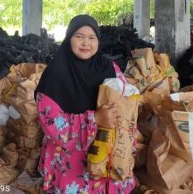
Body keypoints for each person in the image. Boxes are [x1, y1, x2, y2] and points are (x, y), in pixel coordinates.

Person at [35, 14, 136, 193]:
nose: (85, 43)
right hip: (71, 164)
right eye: (79, 36)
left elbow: (125, 102)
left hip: (107, 156)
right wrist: (95, 119)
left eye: (91, 37)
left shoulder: (108, 67)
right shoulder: (55, 74)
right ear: (69, 39)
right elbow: (52, 125)